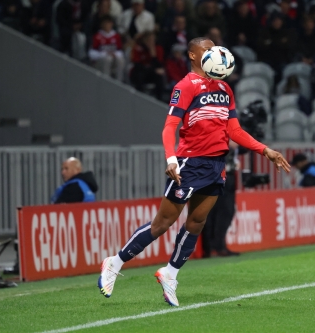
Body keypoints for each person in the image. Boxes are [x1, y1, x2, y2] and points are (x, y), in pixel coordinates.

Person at [98, 37, 290, 306]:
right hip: (190, 163)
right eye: (207, 49)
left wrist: (264, 149)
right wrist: (172, 159)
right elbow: (169, 127)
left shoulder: (224, 88)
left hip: (216, 164)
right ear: (192, 55)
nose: (213, 52)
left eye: (215, 48)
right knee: (162, 224)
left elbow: (233, 130)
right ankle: (114, 263)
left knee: (197, 222)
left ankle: (170, 274)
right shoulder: (185, 86)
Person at [202, 143, 239, 258]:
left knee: (219, 213)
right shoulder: (217, 139)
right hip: (217, 177)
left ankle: (214, 247)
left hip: (216, 177)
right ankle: (215, 247)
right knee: (220, 213)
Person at [129, 31, 166, 100]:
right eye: (149, 40)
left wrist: (153, 55)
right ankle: (139, 97)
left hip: (151, 73)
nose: (151, 42)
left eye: (153, 40)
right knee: (139, 75)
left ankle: (159, 98)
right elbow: (137, 65)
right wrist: (152, 69)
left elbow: (159, 65)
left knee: (159, 76)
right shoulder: (138, 48)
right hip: (140, 72)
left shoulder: (158, 49)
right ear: (144, 40)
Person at [88, 15, 125, 81]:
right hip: (101, 60)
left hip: (114, 59)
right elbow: (92, 53)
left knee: (120, 60)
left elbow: (120, 51)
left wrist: (115, 54)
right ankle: (106, 80)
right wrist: (105, 54)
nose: (107, 25)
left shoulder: (116, 36)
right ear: (101, 24)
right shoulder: (97, 36)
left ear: (112, 24)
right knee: (108, 59)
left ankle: (119, 81)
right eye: (105, 23)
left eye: (109, 23)